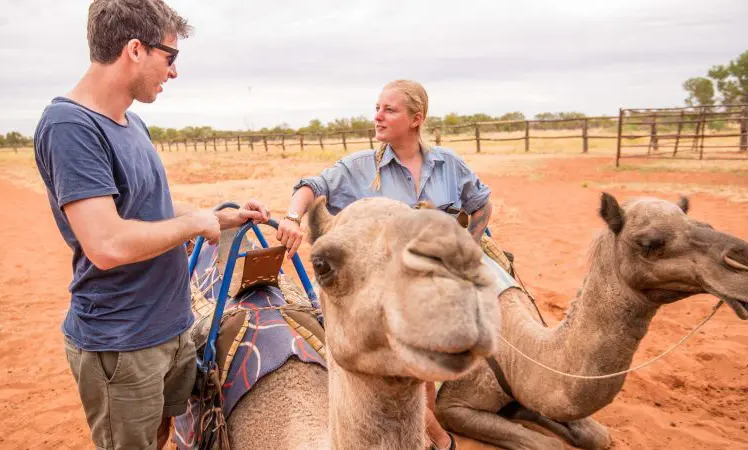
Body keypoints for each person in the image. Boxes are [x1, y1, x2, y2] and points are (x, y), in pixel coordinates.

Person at [32, 1, 269, 449]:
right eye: (170, 57)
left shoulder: (131, 122)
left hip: (169, 325)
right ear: (135, 49)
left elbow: (148, 209)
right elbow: (107, 243)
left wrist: (218, 219)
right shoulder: (70, 126)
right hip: (122, 342)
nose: (174, 72)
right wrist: (194, 223)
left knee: (161, 435)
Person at [276, 79, 493, 450]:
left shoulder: (448, 166)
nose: (377, 116)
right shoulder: (359, 168)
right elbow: (311, 187)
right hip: (380, 291)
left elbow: (482, 205)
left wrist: (467, 246)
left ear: (416, 119)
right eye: (377, 107)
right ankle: (437, 438)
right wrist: (292, 217)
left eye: (389, 109)